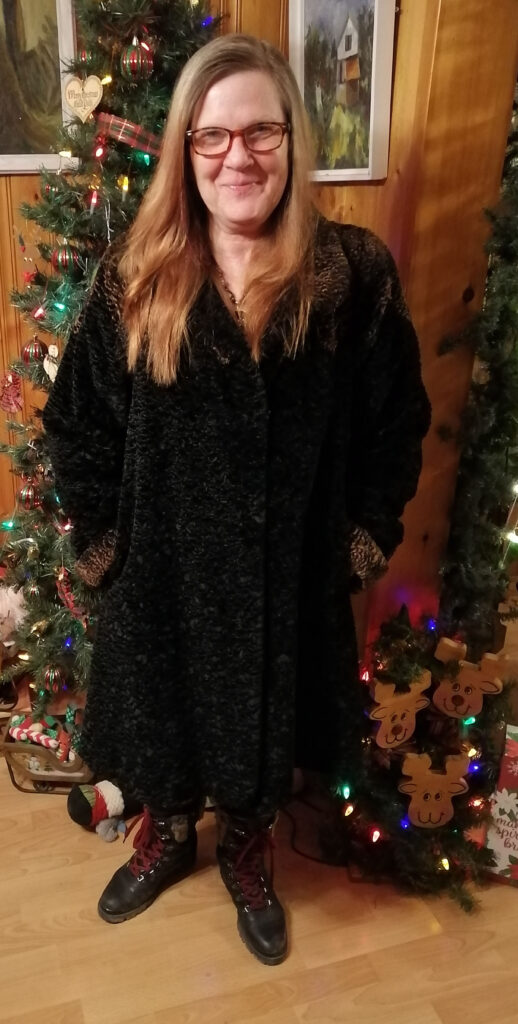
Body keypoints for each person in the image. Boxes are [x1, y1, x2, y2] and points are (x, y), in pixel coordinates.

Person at [42, 33, 431, 966]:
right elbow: (77, 422)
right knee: (162, 723)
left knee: (266, 734)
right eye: (212, 137)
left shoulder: (350, 277)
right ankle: (168, 835)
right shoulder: (136, 276)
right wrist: (108, 547)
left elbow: (397, 423)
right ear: (186, 149)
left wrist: (360, 541)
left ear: (292, 139)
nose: (238, 157)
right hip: (164, 576)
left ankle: (248, 853)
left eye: (260, 132)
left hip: (286, 577)